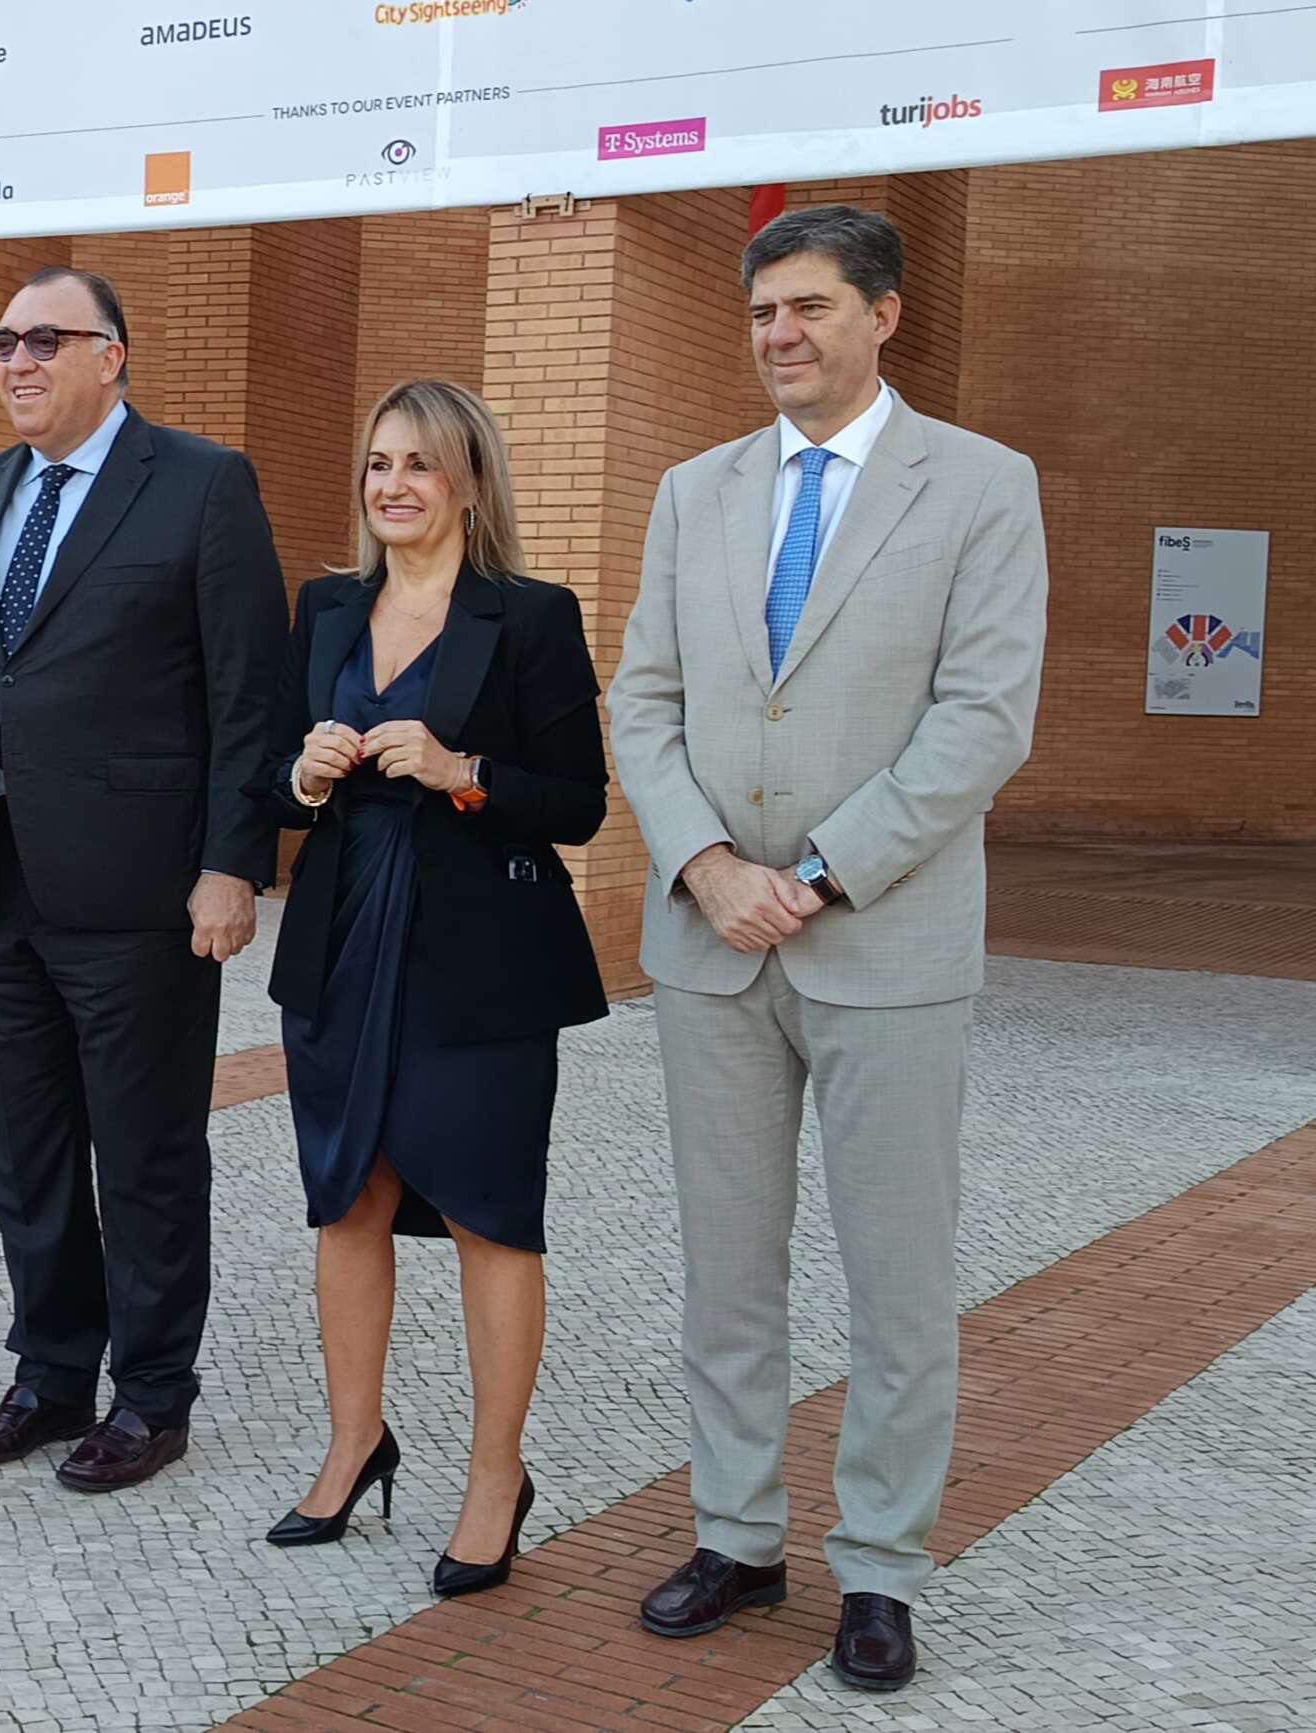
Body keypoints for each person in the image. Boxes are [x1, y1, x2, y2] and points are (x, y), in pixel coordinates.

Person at [609, 206, 1047, 1690]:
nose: (779, 334)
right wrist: (710, 866)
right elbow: (644, 702)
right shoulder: (695, 491)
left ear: (884, 316)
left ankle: (879, 1568)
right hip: (712, 946)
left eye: (807, 307)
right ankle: (736, 1534)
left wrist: (819, 870)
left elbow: (984, 718)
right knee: (726, 1273)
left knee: (897, 1280)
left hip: (890, 943)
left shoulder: (982, 486)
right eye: (762, 313)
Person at [0, 266, 286, 1492]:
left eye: (44, 340)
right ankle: (50, 1374)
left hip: (139, 890)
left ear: (111, 355)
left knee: (147, 1148)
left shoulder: (201, 484)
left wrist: (231, 865)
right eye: (4, 339)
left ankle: (152, 1391)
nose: (16, 359)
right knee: (30, 1145)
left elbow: (246, 695)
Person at [255, 381, 608, 1596]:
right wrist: (299, 777)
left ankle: (495, 1476)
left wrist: (464, 770)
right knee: (345, 1200)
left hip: (478, 958)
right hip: (341, 943)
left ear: (465, 481)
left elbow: (578, 801)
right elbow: (263, 775)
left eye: (417, 464)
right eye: (376, 464)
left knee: (486, 1212)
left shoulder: (531, 615)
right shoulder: (325, 609)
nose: (391, 485)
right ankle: (355, 1444)